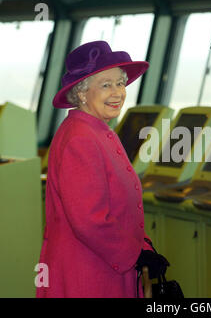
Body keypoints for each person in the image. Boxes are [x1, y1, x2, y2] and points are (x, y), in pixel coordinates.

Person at [36, 41, 169, 298]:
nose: (118, 92)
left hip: (104, 265)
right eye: (106, 85)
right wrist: (135, 254)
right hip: (89, 274)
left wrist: (143, 248)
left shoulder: (95, 130)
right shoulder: (80, 137)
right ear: (82, 93)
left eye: (120, 83)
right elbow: (90, 220)